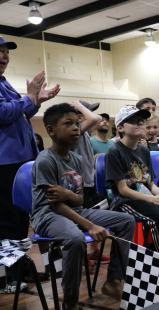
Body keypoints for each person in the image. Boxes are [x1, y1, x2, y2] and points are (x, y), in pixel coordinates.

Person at [0, 33, 60, 292]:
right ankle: (3, 279)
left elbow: (20, 113)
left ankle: (19, 270)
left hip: (15, 160)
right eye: (0, 50)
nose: (6, 56)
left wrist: (36, 100)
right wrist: (28, 96)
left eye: (8, 52)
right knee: (0, 222)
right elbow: (1, 113)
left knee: (17, 219)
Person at [32, 103, 134, 310]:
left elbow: (78, 200)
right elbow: (55, 205)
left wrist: (69, 194)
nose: (76, 128)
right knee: (75, 239)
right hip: (47, 215)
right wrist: (90, 225)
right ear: (51, 130)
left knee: (126, 221)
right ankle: (70, 306)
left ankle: (114, 279)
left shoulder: (76, 159)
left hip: (74, 210)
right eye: (67, 124)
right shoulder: (46, 160)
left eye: (77, 123)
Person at [105, 105, 159, 261]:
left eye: (141, 121)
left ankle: (153, 249)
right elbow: (123, 190)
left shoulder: (144, 151)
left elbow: (150, 183)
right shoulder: (115, 151)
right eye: (133, 121)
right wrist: (153, 199)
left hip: (144, 196)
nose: (140, 123)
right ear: (120, 128)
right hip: (123, 201)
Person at [70, 101, 107, 263]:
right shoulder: (76, 130)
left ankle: (94, 251)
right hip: (79, 186)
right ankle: (82, 254)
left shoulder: (84, 131)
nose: (90, 113)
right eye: (87, 110)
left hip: (89, 183)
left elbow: (96, 119)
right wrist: (78, 105)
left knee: (94, 218)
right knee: (83, 222)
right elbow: (94, 118)